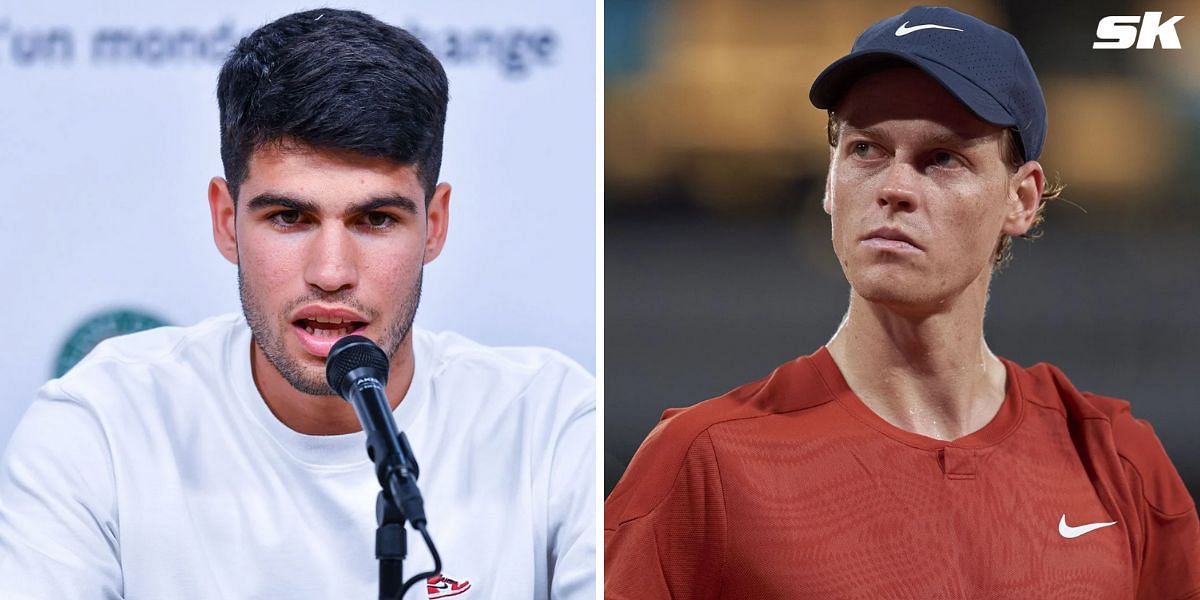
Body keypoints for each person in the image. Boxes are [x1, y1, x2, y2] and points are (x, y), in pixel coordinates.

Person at [604, 6, 1199, 598]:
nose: (893, 188)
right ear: (832, 181)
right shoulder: (703, 462)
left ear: (1021, 200)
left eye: (943, 158)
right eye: (865, 149)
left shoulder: (1118, 462)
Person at [0, 9, 594, 599]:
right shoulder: (102, 426)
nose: (331, 273)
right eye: (289, 217)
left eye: (376, 219)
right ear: (227, 220)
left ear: (434, 226)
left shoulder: (550, 423)